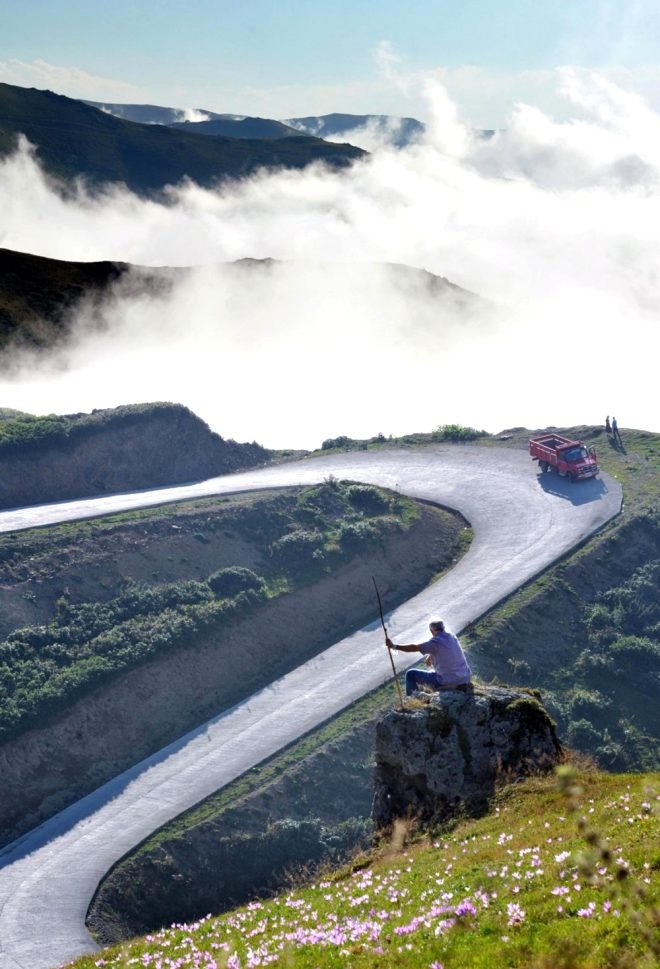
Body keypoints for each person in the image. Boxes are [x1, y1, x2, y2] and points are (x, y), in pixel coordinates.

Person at [386, 620, 472, 696]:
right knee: (432, 672)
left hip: (448, 681)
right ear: (443, 628)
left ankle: (414, 698)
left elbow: (414, 647)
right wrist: (430, 656)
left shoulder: (435, 642)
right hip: (465, 678)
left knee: (411, 674)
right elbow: (442, 649)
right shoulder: (452, 637)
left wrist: (394, 646)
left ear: (431, 631)